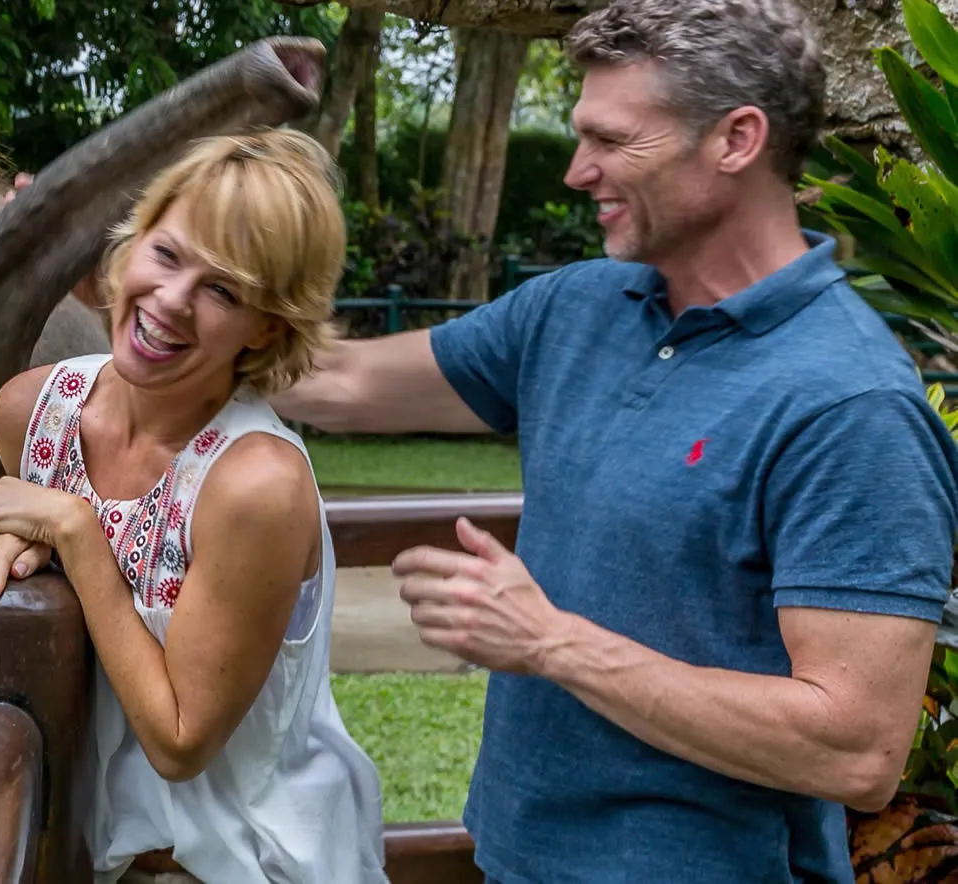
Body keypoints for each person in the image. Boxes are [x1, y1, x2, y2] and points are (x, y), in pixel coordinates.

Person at [258, 1, 958, 882]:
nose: (576, 171)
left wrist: (550, 643)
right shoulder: (581, 306)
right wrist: (158, 303)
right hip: (518, 859)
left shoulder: (851, 402)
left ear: (736, 139)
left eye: (613, 140)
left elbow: (856, 749)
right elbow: (340, 383)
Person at [0, 128, 390, 884]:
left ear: (267, 328)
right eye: (167, 253)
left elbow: (180, 742)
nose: (172, 301)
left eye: (223, 291)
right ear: (130, 243)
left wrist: (74, 533)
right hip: (77, 852)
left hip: (244, 862)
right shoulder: (30, 411)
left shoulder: (255, 485)